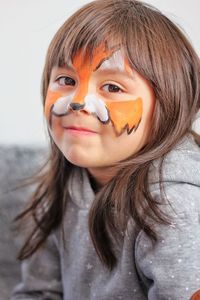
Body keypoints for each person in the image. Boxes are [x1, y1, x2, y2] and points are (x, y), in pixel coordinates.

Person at [11, 0, 200, 299]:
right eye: (66, 80)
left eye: (112, 87)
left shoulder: (174, 206)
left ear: (168, 108)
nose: (78, 101)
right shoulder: (61, 190)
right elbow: (39, 292)